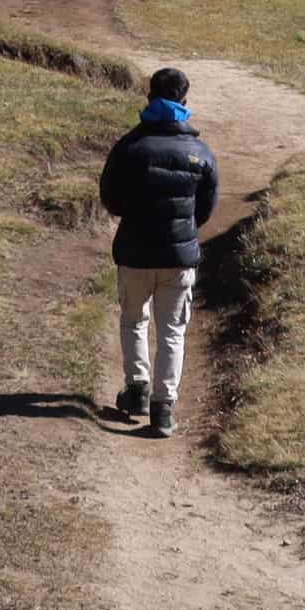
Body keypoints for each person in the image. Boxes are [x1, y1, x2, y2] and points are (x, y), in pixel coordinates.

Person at [98, 65, 220, 438]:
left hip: (134, 252)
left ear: (150, 97)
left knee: (134, 319)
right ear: (185, 101)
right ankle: (163, 408)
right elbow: (206, 208)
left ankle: (136, 390)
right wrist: (183, 229)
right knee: (172, 331)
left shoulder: (130, 146)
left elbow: (111, 198)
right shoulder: (200, 151)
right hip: (178, 257)